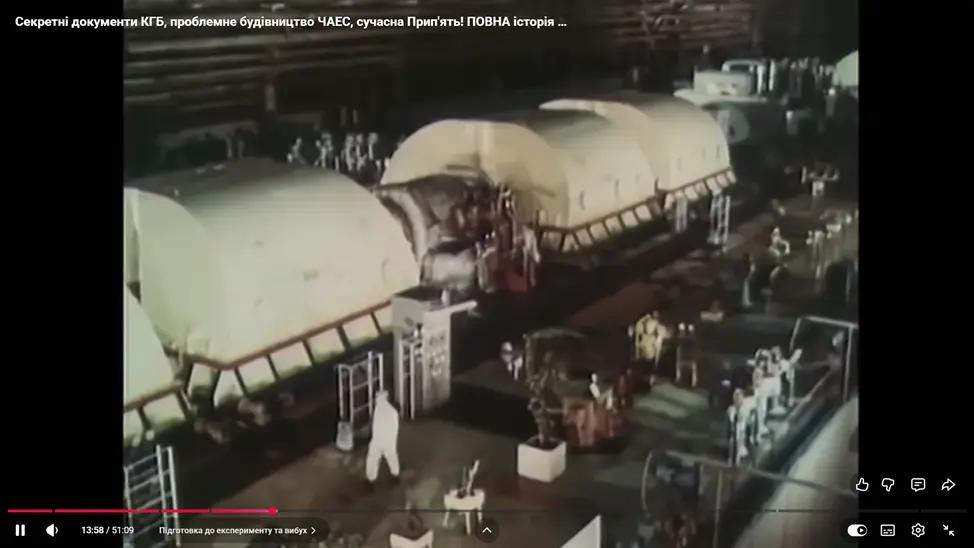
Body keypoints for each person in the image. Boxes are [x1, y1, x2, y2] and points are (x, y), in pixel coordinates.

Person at [366, 390, 401, 486]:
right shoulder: (393, 411)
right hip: (389, 440)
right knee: (392, 457)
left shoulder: (378, 408)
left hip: (377, 440)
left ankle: (371, 479)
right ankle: (395, 475)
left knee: (372, 458)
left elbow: (373, 425)